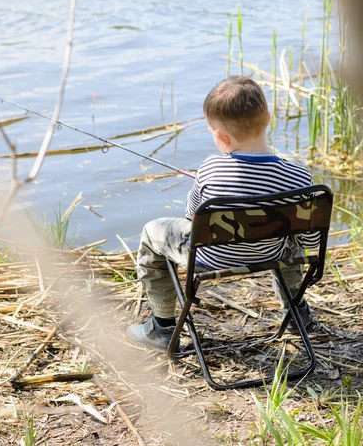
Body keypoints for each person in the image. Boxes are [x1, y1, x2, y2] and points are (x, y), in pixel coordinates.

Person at [126, 76, 318, 351]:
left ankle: (163, 327)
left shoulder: (210, 169)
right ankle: (296, 311)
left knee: (151, 230)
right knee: (288, 235)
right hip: (271, 254)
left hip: (211, 258)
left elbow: (193, 216)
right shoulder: (299, 177)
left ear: (219, 136)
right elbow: (310, 239)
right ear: (268, 118)